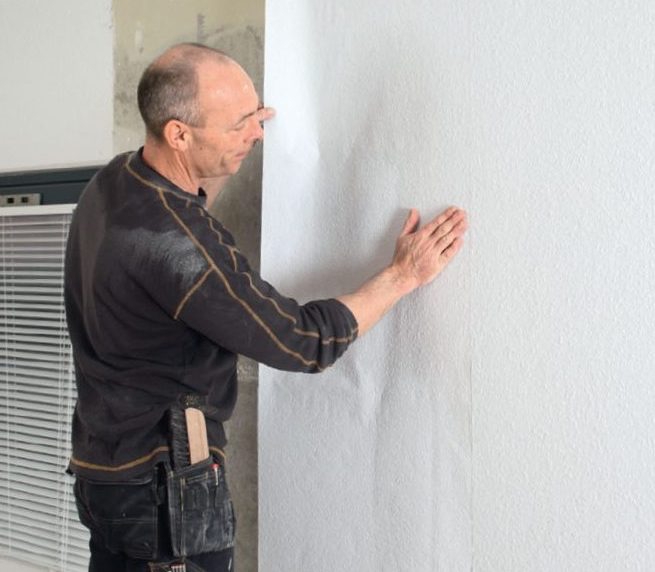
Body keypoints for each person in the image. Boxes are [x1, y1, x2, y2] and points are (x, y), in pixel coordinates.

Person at [64, 42, 468, 572]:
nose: (256, 132)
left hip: (104, 471)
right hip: (162, 497)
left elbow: (182, 208)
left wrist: (236, 132)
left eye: (256, 114)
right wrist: (403, 274)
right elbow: (303, 342)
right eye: (240, 125)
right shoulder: (178, 248)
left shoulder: (114, 182)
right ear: (179, 133)